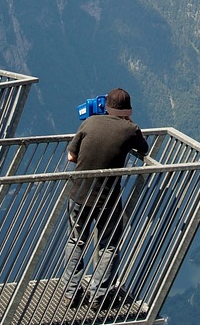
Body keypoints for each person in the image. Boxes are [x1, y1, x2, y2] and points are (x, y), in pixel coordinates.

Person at [62, 87, 148, 310]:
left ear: (106, 106)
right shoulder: (131, 129)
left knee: (76, 240)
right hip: (106, 200)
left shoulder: (89, 123)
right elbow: (144, 148)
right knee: (109, 244)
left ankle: (71, 292)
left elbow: (71, 155)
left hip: (78, 194)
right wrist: (129, 123)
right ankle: (98, 295)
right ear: (127, 110)